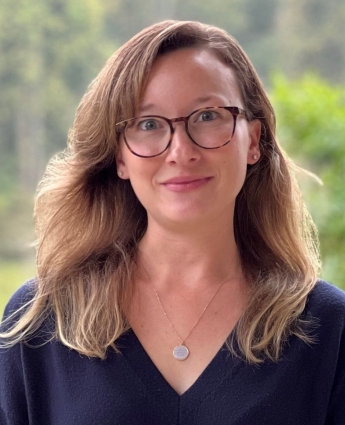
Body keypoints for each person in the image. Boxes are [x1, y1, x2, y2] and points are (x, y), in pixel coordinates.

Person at [0, 20, 344, 425]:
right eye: (148, 124)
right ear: (120, 157)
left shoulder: (328, 329)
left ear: (252, 140)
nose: (181, 151)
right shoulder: (39, 323)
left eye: (208, 116)